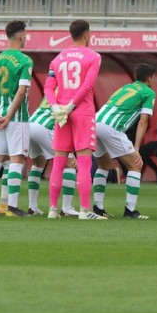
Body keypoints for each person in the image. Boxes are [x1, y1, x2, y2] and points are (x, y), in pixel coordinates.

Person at [43, 19, 105, 220]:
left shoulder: (58, 58)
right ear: (87, 34)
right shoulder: (93, 56)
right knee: (84, 162)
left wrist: (56, 107)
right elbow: (87, 85)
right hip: (81, 112)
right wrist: (71, 107)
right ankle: (85, 211)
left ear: (71, 34)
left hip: (61, 113)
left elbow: (47, 88)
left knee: (59, 162)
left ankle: (53, 209)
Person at [92, 63, 156, 219]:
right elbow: (143, 121)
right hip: (111, 127)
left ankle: (98, 207)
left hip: (94, 124)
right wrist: (137, 148)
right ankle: (130, 210)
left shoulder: (125, 88)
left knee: (104, 165)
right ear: (149, 78)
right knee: (135, 164)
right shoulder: (148, 92)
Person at [0, 20, 34, 217]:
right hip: (17, 118)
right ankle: (12, 207)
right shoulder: (25, 61)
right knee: (17, 159)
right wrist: (8, 116)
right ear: (21, 36)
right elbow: (21, 92)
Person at [27, 98, 78, 216]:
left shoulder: (54, 89)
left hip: (31, 124)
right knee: (70, 162)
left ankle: (32, 206)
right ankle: (66, 208)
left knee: (38, 163)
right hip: (46, 126)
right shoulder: (71, 89)